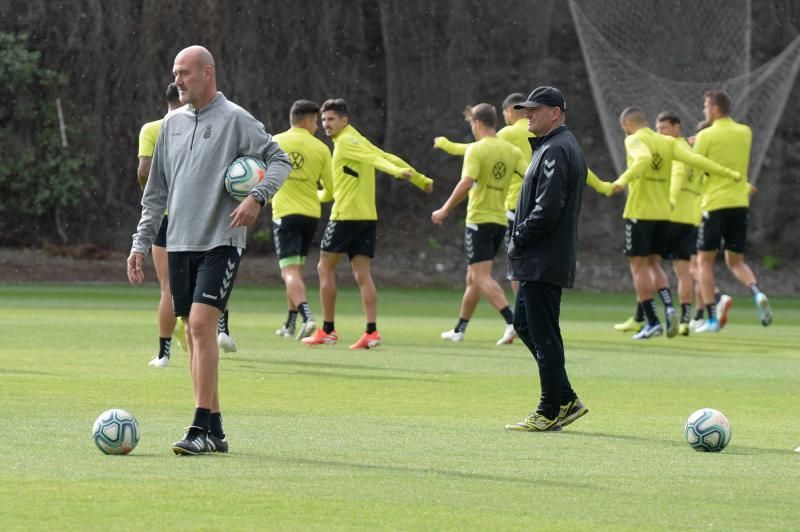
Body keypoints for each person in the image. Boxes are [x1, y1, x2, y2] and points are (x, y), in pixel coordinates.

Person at [127, 45, 291, 455]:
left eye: (184, 73)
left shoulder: (236, 119)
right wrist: (140, 243)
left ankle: (198, 427)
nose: (177, 80)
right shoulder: (171, 125)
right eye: (175, 73)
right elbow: (155, 193)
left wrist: (257, 198)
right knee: (194, 332)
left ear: (207, 73)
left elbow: (279, 160)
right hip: (178, 242)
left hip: (221, 240)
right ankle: (215, 430)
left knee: (201, 326)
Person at [302, 98, 433, 349]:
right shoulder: (355, 137)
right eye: (324, 119)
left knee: (324, 268)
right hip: (367, 217)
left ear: (344, 120)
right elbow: (382, 155)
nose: (326, 124)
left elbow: (378, 161)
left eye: (331, 119)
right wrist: (419, 178)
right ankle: (371, 332)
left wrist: (397, 173)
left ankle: (328, 330)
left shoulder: (345, 143)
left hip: (345, 216)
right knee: (362, 273)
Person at [610, 107, 740, 340]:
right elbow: (700, 166)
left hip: (652, 213)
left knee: (641, 266)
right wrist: (730, 174)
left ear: (628, 124)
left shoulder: (644, 144)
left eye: (664, 128)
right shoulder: (677, 148)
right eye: (658, 128)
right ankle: (678, 313)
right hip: (678, 218)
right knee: (662, 266)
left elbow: (667, 175)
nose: (661, 131)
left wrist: (621, 181)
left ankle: (652, 320)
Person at [504, 86, 588, 432]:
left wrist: (519, 237)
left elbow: (548, 208)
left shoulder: (556, 149)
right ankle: (565, 398)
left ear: (555, 112)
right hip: (541, 257)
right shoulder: (551, 146)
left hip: (543, 257)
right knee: (525, 325)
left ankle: (550, 408)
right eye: (525, 109)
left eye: (535, 110)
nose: (528, 114)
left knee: (543, 333)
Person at [432, 103, 527, 345]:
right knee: (473, 278)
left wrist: (444, 209)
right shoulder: (511, 151)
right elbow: (530, 178)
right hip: (500, 220)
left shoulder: (476, 149)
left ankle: (512, 321)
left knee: (481, 276)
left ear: (477, 123)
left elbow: (466, 183)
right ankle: (460, 329)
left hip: (479, 219)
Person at [693, 89, 772, 332]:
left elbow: (697, 166)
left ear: (715, 109)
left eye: (706, 107)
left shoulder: (705, 135)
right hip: (739, 203)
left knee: (703, 263)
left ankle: (712, 319)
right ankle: (757, 292)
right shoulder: (744, 132)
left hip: (715, 204)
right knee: (736, 261)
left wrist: (694, 144)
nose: (704, 111)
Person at [272, 100, 333, 340]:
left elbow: (263, 178)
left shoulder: (275, 142)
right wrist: (314, 194)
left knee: (288, 272)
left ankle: (307, 317)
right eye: (316, 121)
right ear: (307, 121)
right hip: (310, 216)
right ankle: (290, 324)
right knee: (295, 271)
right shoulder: (320, 148)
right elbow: (330, 190)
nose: (318, 127)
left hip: (285, 215)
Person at [137, 82, 184, 367]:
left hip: (165, 216)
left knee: (167, 287)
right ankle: (218, 331)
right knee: (197, 284)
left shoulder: (152, 128)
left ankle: (164, 354)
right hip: (194, 217)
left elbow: (144, 170)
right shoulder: (196, 126)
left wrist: (152, 195)